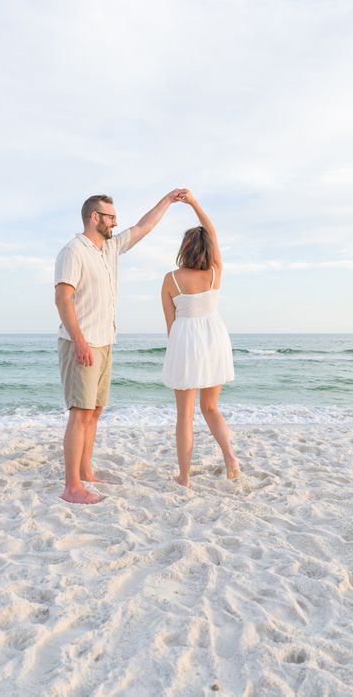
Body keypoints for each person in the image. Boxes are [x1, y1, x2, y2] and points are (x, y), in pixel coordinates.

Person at [55, 189, 186, 504]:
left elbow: (143, 227)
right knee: (80, 412)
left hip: (104, 340)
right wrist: (79, 341)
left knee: (94, 412)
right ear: (94, 217)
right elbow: (63, 298)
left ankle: (86, 471)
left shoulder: (110, 248)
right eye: (111, 217)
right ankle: (72, 486)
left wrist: (168, 200)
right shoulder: (73, 251)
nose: (116, 222)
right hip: (82, 342)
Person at [161, 191, 239, 486]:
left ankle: (184, 478)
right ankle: (230, 456)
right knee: (211, 407)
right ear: (208, 248)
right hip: (214, 338)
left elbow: (170, 324)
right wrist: (194, 203)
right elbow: (213, 232)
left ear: (185, 248)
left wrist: (177, 353)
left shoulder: (171, 279)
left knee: (185, 415)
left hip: (185, 340)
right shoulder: (215, 273)